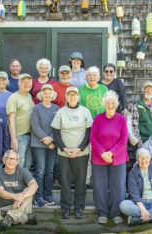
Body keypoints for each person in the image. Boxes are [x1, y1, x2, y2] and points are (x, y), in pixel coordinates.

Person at [51, 87, 93, 219]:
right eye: (70, 95)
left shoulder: (85, 111)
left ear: (78, 97)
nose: (72, 97)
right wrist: (64, 148)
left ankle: (79, 207)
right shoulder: (61, 112)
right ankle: (66, 207)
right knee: (65, 180)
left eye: (75, 95)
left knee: (81, 181)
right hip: (64, 153)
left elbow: (88, 133)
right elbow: (56, 133)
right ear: (67, 97)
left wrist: (79, 149)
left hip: (81, 152)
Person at [90, 90, 128, 224]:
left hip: (118, 157)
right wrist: (102, 153)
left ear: (117, 104)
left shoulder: (122, 119)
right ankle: (102, 213)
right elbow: (92, 138)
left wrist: (111, 153)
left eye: (113, 103)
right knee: (99, 186)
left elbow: (124, 140)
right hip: (99, 157)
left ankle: (116, 212)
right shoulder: (98, 118)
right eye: (108, 103)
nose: (110, 105)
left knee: (117, 186)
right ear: (104, 104)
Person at [28, 84, 59, 207]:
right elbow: (35, 126)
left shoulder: (56, 108)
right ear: (41, 95)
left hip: (52, 144)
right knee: (40, 170)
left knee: (50, 171)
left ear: (53, 95)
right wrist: (46, 139)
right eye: (45, 93)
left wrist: (51, 139)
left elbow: (58, 126)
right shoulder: (37, 108)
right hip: (38, 144)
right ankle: (39, 196)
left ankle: (48, 195)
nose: (47, 95)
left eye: (49, 93)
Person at [0, 150, 38, 230]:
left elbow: (34, 185)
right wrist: (15, 197)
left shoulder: (23, 171)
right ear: (3, 160)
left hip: (22, 206)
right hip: (6, 207)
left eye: (14, 159)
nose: (11, 161)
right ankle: (25, 218)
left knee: (28, 189)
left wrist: (20, 199)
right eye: (9, 158)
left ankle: (9, 217)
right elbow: (0, 192)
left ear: (18, 161)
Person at [6, 74, 34, 168]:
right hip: (19, 137)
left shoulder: (29, 96)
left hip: (30, 136)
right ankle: (16, 183)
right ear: (18, 83)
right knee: (18, 165)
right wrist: (13, 138)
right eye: (24, 82)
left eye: (29, 82)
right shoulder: (13, 98)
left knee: (27, 165)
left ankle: (23, 183)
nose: (26, 84)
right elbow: (11, 119)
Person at [131, 81, 152, 147]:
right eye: (147, 89)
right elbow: (134, 126)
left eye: (151, 89)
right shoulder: (137, 106)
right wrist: (139, 140)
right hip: (144, 141)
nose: (149, 91)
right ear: (143, 91)